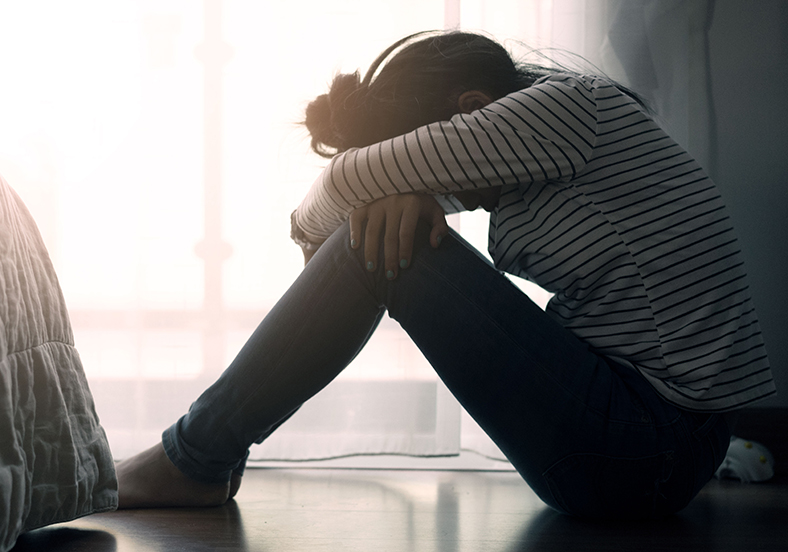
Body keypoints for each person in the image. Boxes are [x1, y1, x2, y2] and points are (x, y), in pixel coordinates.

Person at [115, 30, 775, 519]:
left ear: (473, 108)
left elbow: (346, 185)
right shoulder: (550, 136)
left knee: (375, 237)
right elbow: (366, 196)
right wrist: (377, 213)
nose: (462, 194)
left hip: (648, 448)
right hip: (652, 446)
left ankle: (193, 459)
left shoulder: (566, 113)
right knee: (378, 226)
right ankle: (200, 455)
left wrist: (336, 236)